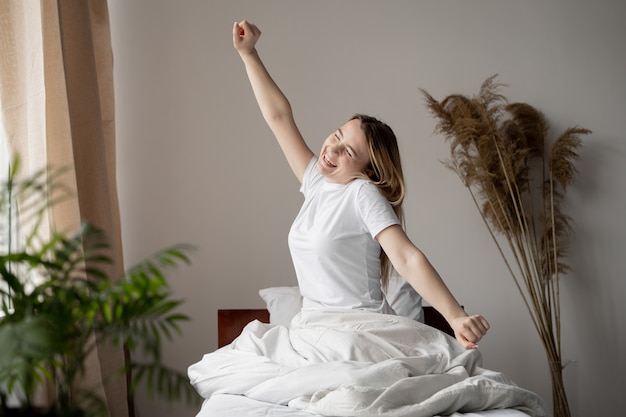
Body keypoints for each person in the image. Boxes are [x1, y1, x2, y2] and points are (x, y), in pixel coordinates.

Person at [233, 20, 489, 349]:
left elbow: (407, 258)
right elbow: (279, 117)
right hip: (312, 329)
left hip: (358, 331)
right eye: (337, 136)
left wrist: (455, 317)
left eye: (349, 152)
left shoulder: (362, 193)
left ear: (369, 171)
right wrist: (249, 54)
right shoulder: (316, 182)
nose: (332, 150)